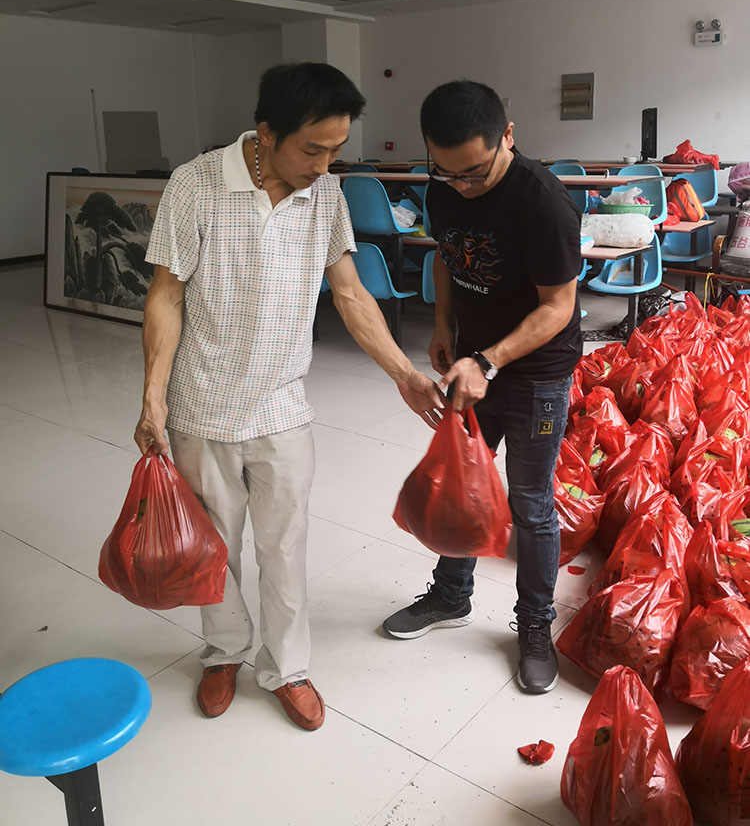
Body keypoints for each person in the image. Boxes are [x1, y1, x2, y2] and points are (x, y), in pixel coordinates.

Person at [135, 62, 443, 730]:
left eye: (336, 150)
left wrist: (405, 372)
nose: (324, 165)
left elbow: (351, 293)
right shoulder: (195, 184)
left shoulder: (325, 195)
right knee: (214, 547)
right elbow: (167, 293)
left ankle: (287, 667)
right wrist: (153, 395)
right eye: (312, 149)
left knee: (284, 547)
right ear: (267, 132)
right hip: (202, 404)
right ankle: (224, 652)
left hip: (281, 404)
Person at [383, 80, 582, 695]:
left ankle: (535, 624)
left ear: (508, 137)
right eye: (447, 172)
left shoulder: (543, 202)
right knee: (462, 479)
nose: (461, 185)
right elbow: (447, 257)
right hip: (474, 361)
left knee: (531, 502)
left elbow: (557, 308)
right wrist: (444, 326)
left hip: (536, 371)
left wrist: (488, 362)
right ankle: (451, 595)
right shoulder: (443, 185)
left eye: (474, 172)